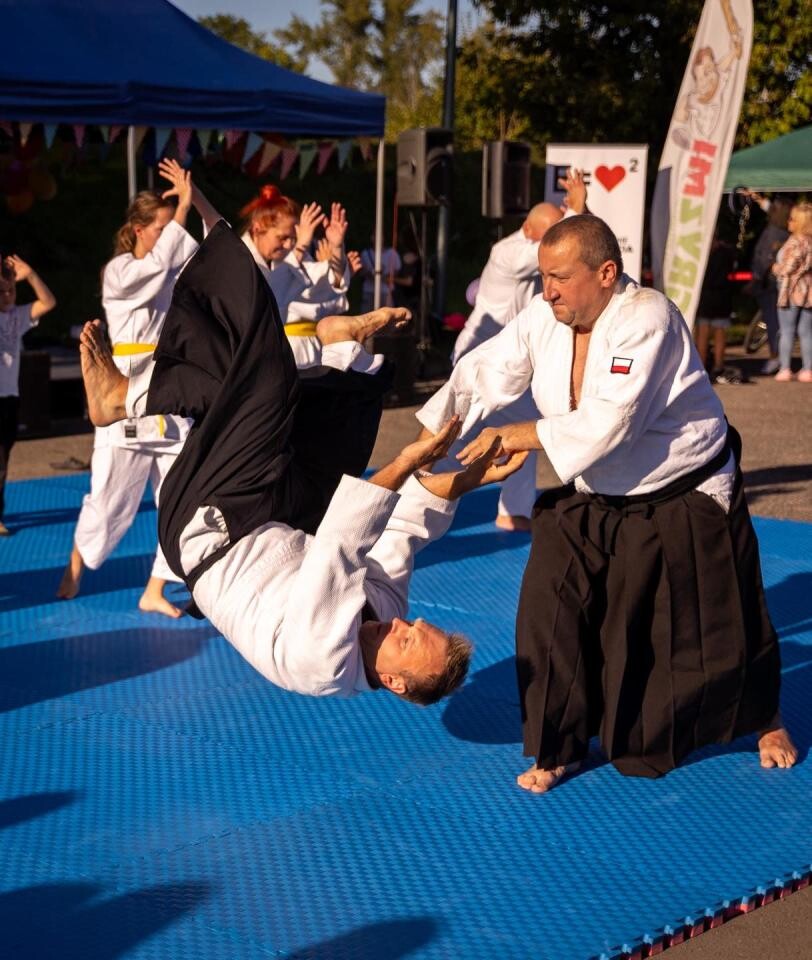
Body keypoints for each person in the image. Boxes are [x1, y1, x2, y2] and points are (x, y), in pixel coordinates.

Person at [417, 214, 797, 791]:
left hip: (683, 490)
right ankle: (557, 741)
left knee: (717, 623)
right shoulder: (546, 318)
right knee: (548, 602)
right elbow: (484, 369)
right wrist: (434, 436)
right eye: (543, 277)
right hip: (596, 491)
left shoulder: (648, 318)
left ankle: (763, 718)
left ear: (606, 273)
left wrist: (516, 435)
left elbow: (609, 421)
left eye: (560, 279)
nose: (547, 291)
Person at [78, 222, 528, 702]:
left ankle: (120, 397)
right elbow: (404, 531)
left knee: (265, 383)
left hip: (206, 528)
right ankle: (341, 352)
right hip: (275, 519)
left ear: (393, 681)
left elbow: (339, 541)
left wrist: (401, 462)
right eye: (414, 624)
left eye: (407, 639)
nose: (401, 622)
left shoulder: (324, 661)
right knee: (335, 426)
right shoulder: (385, 610)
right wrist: (464, 481)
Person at [56, 160, 221, 615]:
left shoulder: (172, 272)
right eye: (161, 227)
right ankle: (77, 559)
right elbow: (155, 274)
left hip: (167, 390)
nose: (169, 234)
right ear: (137, 230)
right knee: (110, 501)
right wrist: (183, 204)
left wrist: (193, 203)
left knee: (181, 494)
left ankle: (155, 589)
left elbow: (198, 261)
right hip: (124, 396)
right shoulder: (119, 271)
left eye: (171, 227)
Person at [442, 169, 587, 532]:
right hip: (479, 357)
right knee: (451, 432)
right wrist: (577, 211)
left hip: (510, 359)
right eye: (551, 233)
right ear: (529, 229)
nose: (558, 242)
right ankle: (414, 492)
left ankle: (512, 511)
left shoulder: (543, 259)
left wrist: (580, 213)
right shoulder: (506, 252)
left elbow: (579, 250)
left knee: (525, 427)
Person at [0, 253, 57, 536]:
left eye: (11, 290)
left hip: (9, 397)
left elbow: (48, 303)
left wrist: (31, 274)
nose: (8, 296)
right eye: (2, 292)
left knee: (3, 456)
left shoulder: (17, 317)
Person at [745, 193, 790, 374]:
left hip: (768, 283)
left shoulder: (774, 232)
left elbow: (764, 259)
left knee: (773, 322)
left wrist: (755, 279)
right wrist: (756, 197)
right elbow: (770, 207)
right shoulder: (785, 227)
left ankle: (775, 357)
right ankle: (780, 357)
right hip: (773, 283)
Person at [694, 233, 744, 383]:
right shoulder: (726, 253)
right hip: (722, 296)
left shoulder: (700, 253)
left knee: (702, 332)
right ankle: (718, 365)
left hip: (704, 296)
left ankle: (701, 367)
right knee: (720, 332)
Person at [772, 201, 812, 382]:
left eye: (792, 219)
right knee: (806, 332)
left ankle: (785, 368)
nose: (788, 221)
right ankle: (807, 369)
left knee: (786, 331)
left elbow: (788, 268)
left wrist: (775, 268)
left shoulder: (795, 242)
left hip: (790, 290)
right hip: (808, 290)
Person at [360, 235, 401, 312]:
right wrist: (371, 274)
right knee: (367, 317)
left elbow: (397, 271)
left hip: (386, 291)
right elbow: (361, 272)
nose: (377, 238)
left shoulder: (392, 253)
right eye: (374, 236)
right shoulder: (365, 254)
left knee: (388, 318)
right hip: (369, 291)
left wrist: (385, 277)